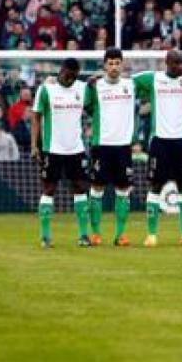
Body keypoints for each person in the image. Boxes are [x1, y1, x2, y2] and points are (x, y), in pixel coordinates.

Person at [133, 50, 182, 247]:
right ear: (166, 63)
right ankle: (151, 234)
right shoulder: (153, 79)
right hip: (160, 141)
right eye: (176, 64)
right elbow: (127, 83)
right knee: (156, 186)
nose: (180, 67)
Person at [31, 58, 88, 248]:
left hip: (76, 149)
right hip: (52, 149)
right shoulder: (46, 89)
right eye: (68, 75)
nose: (71, 79)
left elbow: (95, 104)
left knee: (80, 188)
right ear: (61, 71)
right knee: (49, 189)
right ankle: (45, 237)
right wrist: (34, 145)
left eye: (74, 76)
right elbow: (36, 118)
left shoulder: (83, 88)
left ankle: (83, 235)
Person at [82, 48, 136, 247]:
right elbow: (85, 106)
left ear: (122, 65)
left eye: (117, 63)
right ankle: (95, 233)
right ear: (104, 65)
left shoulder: (131, 85)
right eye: (110, 63)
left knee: (123, 189)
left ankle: (121, 234)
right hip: (101, 145)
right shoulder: (94, 86)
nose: (114, 67)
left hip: (123, 146)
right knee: (97, 188)